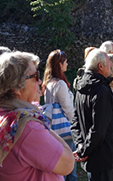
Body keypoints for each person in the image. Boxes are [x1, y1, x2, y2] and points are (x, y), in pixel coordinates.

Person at [0, 51, 74, 181]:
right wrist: (38, 118)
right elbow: (68, 164)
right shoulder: (25, 126)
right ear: (16, 86)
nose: (39, 81)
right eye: (35, 76)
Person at [71, 49, 113, 181]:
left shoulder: (84, 86)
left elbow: (75, 121)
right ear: (100, 66)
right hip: (106, 158)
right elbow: (98, 128)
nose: (111, 66)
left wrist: (81, 146)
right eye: (109, 63)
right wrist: (83, 150)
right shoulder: (100, 90)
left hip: (98, 156)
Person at [43, 50, 77, 181]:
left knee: (59, 164)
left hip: (53, 128)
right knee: (71, 167)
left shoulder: (48, 83)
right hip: (65, 128)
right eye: (65, 61)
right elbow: (67, 107)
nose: (67, 64)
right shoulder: (60, 84)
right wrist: (74, 123)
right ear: (60, 64)